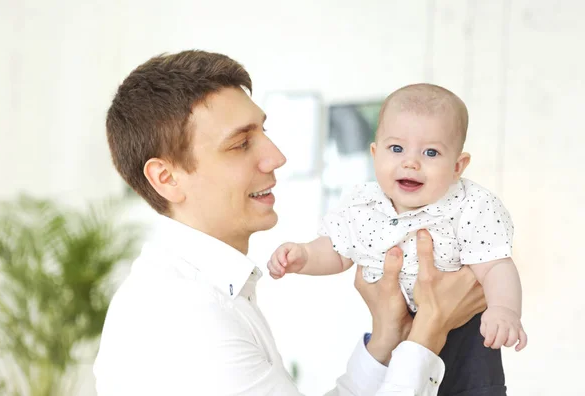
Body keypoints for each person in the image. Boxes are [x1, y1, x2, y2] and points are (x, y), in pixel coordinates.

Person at [93, 51, 485, 395]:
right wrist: (430, 329)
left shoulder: (211, 291)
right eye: (241, 144)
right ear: (167, 178)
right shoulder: (185, 315)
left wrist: (386, 339)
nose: (276, 156)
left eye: (263, 131)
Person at [268, 83, 528, 394]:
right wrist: (305, 256)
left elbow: (497, 266)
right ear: (375, 153)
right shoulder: (362, 205)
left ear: (457, 166)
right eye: (396, 149)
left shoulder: (470, 206)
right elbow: (337, 250)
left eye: (430, 152)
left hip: (466, 330)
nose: (411, 162)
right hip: (400, 330)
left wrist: (504, 309)